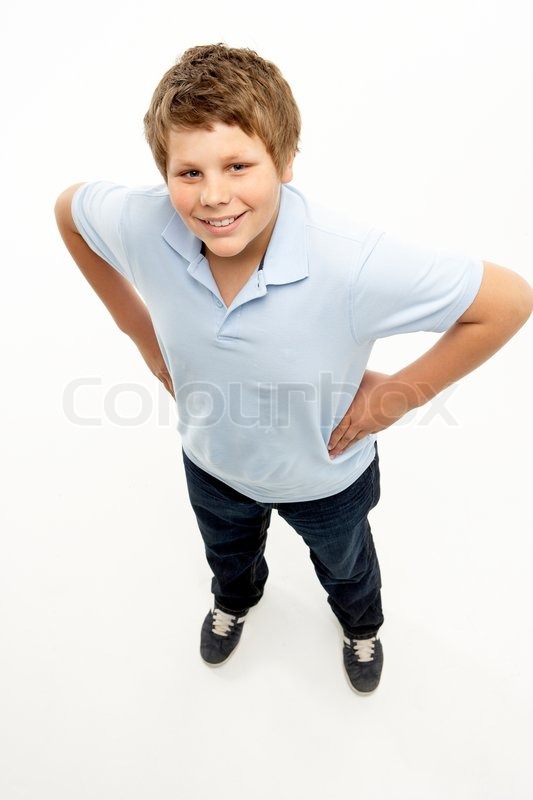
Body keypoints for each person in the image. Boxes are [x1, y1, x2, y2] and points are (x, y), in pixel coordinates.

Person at [54, 43, 532, 695]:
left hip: (326, 479)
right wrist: (139, 333)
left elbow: (506, 302)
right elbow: (70, 211)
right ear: (164, 171)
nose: (213, 196)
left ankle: (360, 626)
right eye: (187, 172)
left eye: (238, 165)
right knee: (227, 556)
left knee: (347, 566)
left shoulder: (350, 264)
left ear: (283, 161)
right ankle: (235, 602)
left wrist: (396, 397)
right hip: (213, 465)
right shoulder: (142, 222)